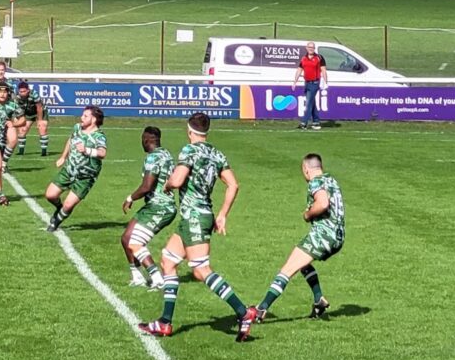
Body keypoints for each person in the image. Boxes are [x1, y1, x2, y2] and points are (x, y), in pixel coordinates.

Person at [138, 113, 258, 342]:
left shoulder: (189, 150)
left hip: (194, 217)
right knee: (168, 261)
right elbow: (233, 184)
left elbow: (178, 180)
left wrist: (168, 184)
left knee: (201, 270)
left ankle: (244, 312)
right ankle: (164, 322)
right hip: (196, 216)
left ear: (189, 130)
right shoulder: (216, 153)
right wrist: (222, 214)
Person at [256, 153, 343, 322]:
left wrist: (308, 214)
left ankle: (261, 309)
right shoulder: (332, 181)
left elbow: (323, 203)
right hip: (338, 237)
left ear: (306, 169)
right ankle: (319, 300)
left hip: (323, 236)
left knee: (286, 270)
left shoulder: (315, 182)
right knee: (304, 264)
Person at [121, 127, 176, 290]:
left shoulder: (153, 158)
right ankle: (137, 277)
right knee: (126, 238)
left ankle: (157, 279)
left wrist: (130, 198)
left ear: (147, 140)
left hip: (160, 207)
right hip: (154, 205)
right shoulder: (166, 153)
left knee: (135, 242)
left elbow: (147, 186)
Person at [45, 106, 107, 232]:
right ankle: (59, 207)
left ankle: (56, 221)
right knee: (50, 195)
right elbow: (71, 139)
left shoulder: (99, 136)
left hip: (86, 176)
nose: (81, 118)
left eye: (85, 116)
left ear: (94, 119)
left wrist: (87, 150)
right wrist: (63, 157)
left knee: (68, 205)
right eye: (82, 115)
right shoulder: (77, 128)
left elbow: (102, 153)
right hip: (69, 170)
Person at [292, 41, 328, 130]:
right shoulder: (303, 58)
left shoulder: (319, 58)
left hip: (315, 83)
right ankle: (316, 122)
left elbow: (323, 70)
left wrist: (326, 82)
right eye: (309, 47)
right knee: (312, 103)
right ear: (306, 48)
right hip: (307, 82)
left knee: (308, 103)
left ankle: (304, 122)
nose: (311, 49)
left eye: (312, 47)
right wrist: (295, 82)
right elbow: (299, 70)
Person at [14, 80, 50, 157]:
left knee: (42, 128)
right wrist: (20, 119)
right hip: (27, 112)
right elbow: (17, 109)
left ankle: (44, 152)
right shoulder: (16, 96)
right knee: (22, 130)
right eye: (21, 91)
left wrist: (39, 120)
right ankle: (21, 151)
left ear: (28, 90)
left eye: (24, 91)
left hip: (40, 111)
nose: (22, 93)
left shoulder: (34, 94)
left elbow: (39, 107)